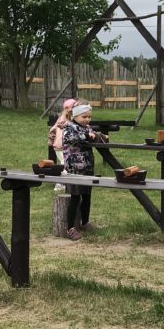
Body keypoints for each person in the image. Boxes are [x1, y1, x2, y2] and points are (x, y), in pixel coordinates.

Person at [61, 102, 100, 241]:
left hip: (87, 167)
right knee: (75, 198)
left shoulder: (86, 128)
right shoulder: (69, 128)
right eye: (84, 117)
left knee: (87, 195)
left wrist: (98, 135)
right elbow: (75, 139)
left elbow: (93, 134)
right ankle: (70, 228)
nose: (87, 120)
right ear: (75, 115)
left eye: (89, 117)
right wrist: (88, 136)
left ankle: (85, 222)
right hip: (75, 169)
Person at [48, 98, 76, 193]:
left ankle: (67, 183)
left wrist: (51, 141)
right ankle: (60, 184)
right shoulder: (67, 120)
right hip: (63, 146)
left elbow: (52, 130)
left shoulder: (60, 119)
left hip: (58, 146)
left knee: (65, 164)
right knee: (65, 165)